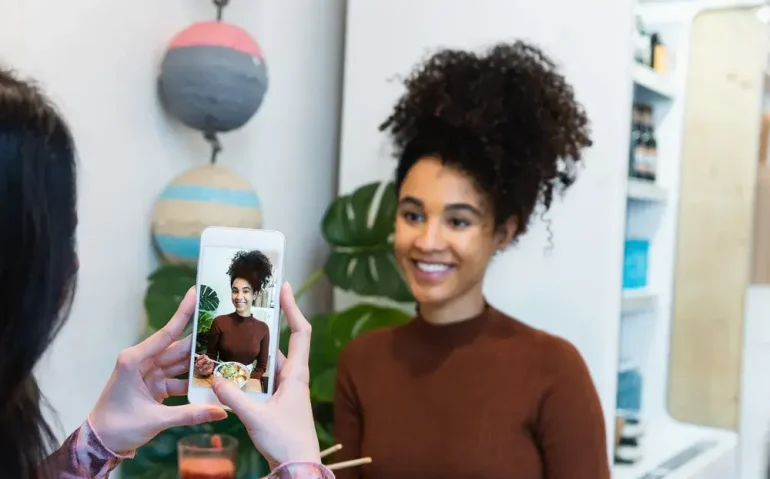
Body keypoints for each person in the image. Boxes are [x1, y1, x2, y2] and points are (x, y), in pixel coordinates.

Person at [0, 67, 331, 478]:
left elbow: (259, 367)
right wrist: (298, 465)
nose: (73, 263)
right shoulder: (221, 324)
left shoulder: (260, 332)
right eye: (63, 235)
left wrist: (96, 442)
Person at [333, 41, 610, 478]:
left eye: (458, 221)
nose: (427, 240)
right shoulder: (362, 363)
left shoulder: (554, 371)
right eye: (412, 215)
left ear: (502, 233)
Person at [195, 250, 273, 388]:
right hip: (220, 379)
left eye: (246, 291)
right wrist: (207, 367)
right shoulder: (219, 322)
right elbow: (211, 356)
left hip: (246, 382)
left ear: (255, 294)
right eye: (235, 290)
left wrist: (246, 382)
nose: (239, 297)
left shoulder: (263, 329)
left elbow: (261, 367)